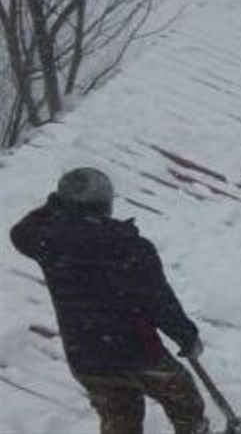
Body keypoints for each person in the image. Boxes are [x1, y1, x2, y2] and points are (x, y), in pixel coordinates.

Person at [9, 168, 210, 434]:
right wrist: (186, 335)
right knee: (186, 404)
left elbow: (21, 232)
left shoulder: (50, 241)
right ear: (105, 204)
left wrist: (55, 204)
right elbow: (159, 300)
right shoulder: (130, 246)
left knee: (119, 416)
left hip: (86, 356)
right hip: (137, 352)